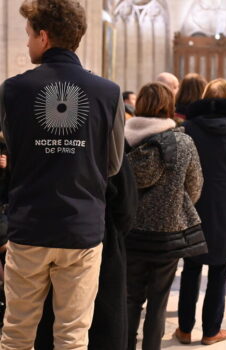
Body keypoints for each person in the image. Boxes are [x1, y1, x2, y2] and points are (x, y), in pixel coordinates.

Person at [0, 0, 125, 348]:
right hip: (81, 228)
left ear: (44, 36)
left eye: (28, 35)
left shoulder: (12, 90)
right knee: (72, 336)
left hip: (30, 226)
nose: (26, 44)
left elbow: (12, 150)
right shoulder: (109, 92)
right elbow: (113, 165)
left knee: (16, 333)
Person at [124, 82, 207, 350]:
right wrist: (175, 208)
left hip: (131, 231)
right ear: (168, 106)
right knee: (159, 300)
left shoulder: (121, 140)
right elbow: (195, 186)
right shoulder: (183, 142)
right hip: (168, 234)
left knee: (130, 298)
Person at [174, 79, 226, 346]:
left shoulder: (188, 127)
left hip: (193, 205)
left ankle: (184, 330)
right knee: (219, 271)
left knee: (191, 268)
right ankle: (211, 331)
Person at [34, 156, 138, 350]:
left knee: (49, 321)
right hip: (99, 238)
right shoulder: (103, 133)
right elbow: (126, 206)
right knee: (100, 323)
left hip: (41, 236)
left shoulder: (33, 132)